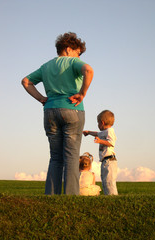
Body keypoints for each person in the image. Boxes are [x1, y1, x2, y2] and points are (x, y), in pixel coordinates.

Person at [22, 32, 94, 195]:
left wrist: (41, 98)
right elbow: (88, 71)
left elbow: (26, 81)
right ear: (69, 49)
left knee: (55, 157)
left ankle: (52, 197)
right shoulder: (74, 62)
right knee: (71, 155)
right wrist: (82, 93)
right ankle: (70, 198)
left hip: (50, 111)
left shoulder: (46, 66)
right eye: (78, 53)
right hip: (72, 110)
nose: (79, 57)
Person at [83, 110, 118, 195]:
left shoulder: (110, 131)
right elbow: (97, 134)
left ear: (102, 122)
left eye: (98, 123)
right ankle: (107, 197)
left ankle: (113, 197)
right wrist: (88, 132)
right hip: (105, 161)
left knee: (109, 182)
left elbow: (111, 143)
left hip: (110, 160)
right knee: (105, 181)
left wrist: (100, 141)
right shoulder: (104, 132)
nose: (98, 125)